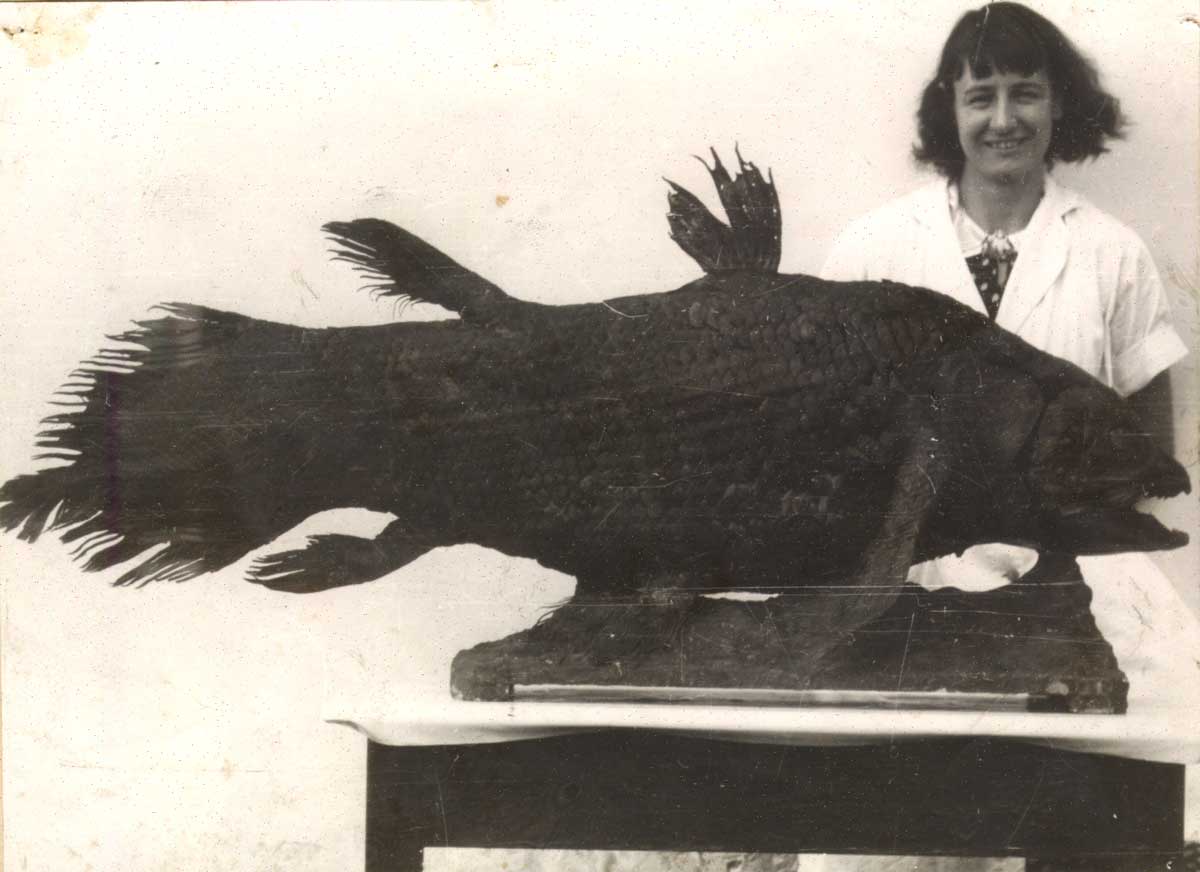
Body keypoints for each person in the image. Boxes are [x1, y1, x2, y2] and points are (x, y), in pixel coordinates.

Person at [821, 1, 1188, 593]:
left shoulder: (1112, 253)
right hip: (909, 582)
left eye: (1025, 93)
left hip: (1075, 579)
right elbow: (828, 436)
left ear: (1059, 102)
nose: (1003, 119)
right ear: (951, 107)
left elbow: (1150, 456)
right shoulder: (872, 247)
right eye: (980, 96)